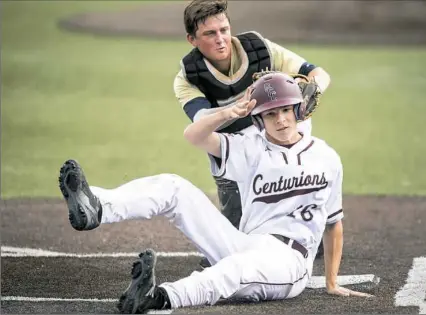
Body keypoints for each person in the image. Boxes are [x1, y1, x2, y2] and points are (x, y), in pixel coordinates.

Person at [58, 72, 372, 314]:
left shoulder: (327, 157)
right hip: (244, 243)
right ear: (259, 119)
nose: (280, 119)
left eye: (285, 111)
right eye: (270, 114)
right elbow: (193, 136)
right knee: (175, 187)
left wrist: (332, 282)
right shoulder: (250, 147)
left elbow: (334, 223)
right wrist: (230, 112)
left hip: (290, 264)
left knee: (231, 271)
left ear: (297, 110)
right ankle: (97, 207)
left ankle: (157, 298)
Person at [174, 0, 331, 266]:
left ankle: (304, 233)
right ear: (192, 39)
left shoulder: (259, 49)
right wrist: (236, 109)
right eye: (210, 34)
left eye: (224, 29)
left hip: (274, 131)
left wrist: (312, 89)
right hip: (231, 142)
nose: (221, 39)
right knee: (232, 232)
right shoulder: (188, 77)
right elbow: (201, 123)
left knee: (293, 163)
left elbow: (318, 73)